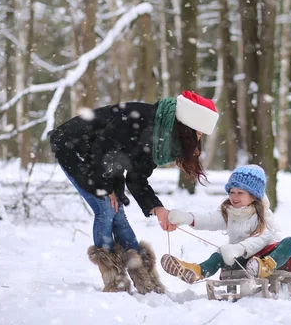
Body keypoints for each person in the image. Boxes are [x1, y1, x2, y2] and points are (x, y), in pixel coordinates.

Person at [48, 91, 219, 294]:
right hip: (75, 146)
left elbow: (137, 178)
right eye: (198, 132)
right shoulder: (140, 118)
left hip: (105, 161)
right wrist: (105, 187)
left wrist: (157, 209)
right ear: (187, 126)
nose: (199, 138)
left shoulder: (161, 141)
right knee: (105, 208)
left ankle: (145, 280)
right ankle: (114, 280)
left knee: (117, 213)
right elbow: (102, 148)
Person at [161, 165, 291, 284]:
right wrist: (187, 217)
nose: (234, 197)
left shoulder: (264, 215)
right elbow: (209, 219)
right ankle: (196, 271)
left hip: (269, 258)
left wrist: (239, 248)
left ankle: (263, 267)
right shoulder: (230, 212)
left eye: (240, 193)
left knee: (290, 242)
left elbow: (260, 238)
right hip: (242, 261)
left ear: (254, 195)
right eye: (232, 192)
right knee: (219, 255)